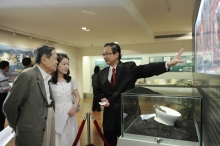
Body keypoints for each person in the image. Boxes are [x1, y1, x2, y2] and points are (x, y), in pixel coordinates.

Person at [94, 42, 184, 146]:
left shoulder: (129, 68)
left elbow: (147, 69)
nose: (105, 57)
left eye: (107, 53)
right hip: (109, 118)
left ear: (116, 54)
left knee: (128, 143)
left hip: (127, 116)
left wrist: (168, 64)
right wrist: (102, 99)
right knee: (108, 143)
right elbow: (98, 92)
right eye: (103, 54)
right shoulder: (101, 74)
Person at [3, 45, 58, 146]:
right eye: (54, 58)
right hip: (32, 129)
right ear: (44, 60)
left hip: (48, 121)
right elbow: (9, 105)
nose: (57, 62)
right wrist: (16, 126)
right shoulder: (27, 75)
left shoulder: (47, 77)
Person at [49, 54, 80, 146]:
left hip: (70, 111)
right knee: (58, 135)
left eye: (68, 64)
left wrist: (74, 107)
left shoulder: (71, 80)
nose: (67, 66)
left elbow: (78, 96)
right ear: (57, 64)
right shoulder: (49, 81)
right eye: (64, 64)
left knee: (71, 133)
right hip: (56, 112)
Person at [0, 61, 10, 131]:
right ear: (6, 67)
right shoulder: (2, 77)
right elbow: (8, 89)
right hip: (1, 97)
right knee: (1, 115)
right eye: (8, 66)